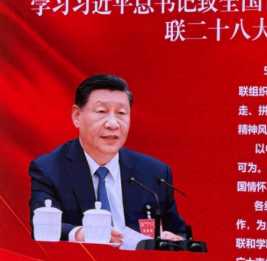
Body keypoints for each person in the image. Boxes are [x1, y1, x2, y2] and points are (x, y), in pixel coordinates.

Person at [29, 74, 186, 249]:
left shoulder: (155, 173)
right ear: (77, 116)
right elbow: (41, 225)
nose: (113, 124)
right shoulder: (49, 169)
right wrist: (80, 233)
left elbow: (181, 234)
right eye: (101, 112)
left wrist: (175, 241)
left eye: (121, 113)